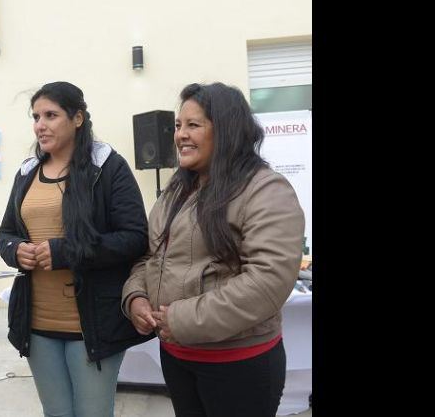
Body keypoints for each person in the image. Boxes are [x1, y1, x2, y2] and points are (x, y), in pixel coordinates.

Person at [122, 82, 305, 417]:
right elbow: (150, 258)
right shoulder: (175, 191)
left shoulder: (265, 190)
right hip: (177, 357)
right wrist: (135, 297)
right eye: (178, 125)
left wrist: (180, 318)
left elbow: (268, 282)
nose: (180, 135)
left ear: (227, 129)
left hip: (239, 364)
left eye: (194, 125)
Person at [0, 81, 151, 417]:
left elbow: (135, 236)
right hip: (36, 326)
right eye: (36, 116)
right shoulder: (27, 173)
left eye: (51, 115)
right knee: (56, 413)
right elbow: (5, 233)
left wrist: (68, 252)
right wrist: (16, 249)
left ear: (77, 118)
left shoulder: (108, 168)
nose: (40, 124)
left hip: (91, 324)